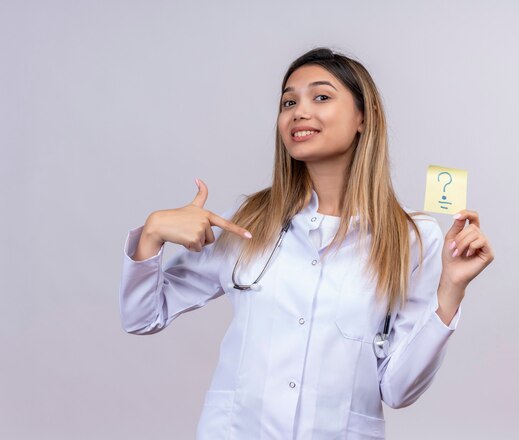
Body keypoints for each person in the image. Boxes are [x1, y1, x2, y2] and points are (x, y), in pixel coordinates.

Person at [119, 47, 494, 439]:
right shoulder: (251, 221)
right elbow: (142, 316)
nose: (299, 111)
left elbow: (398, 390)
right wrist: (153, 233)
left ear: (363, 118)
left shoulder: (413, 239)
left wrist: (451, 290)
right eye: (288, 101)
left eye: (321, 97)